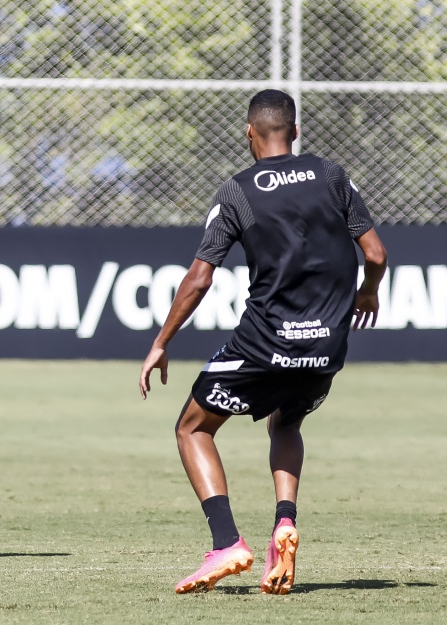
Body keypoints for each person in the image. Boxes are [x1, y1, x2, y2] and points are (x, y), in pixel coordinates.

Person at [139, 89, 387, 594]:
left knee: (192, 428)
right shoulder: (332, 176)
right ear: (294, 131)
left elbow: (199, 279)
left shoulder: (237, 191)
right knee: (286, 421)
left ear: (249, 133)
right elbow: (377, 254)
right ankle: (284, 523)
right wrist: (367, 293)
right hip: (326, 347)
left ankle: (227, 542)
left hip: (265, 343)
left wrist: (162, 341)